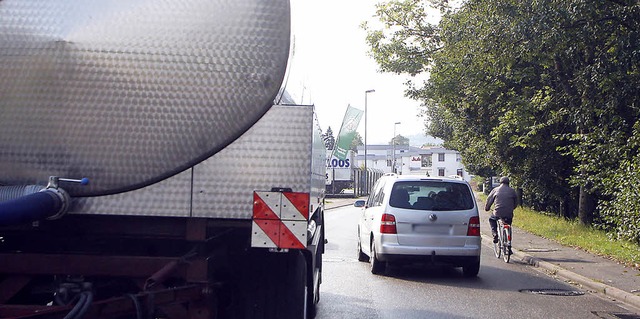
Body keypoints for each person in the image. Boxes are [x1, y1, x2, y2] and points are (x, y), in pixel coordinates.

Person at [485, 176, 518, 243]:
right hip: (509, 213)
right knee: (508, 224)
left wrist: (487, 208)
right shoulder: (512, 191)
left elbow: (489, 200)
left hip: (498, 213)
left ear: (500, 182)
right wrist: (511, 208)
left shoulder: (495, 190)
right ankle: (509, 244)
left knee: (492, 219)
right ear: (508, 183)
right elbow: (516, 203)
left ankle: (495, 233)